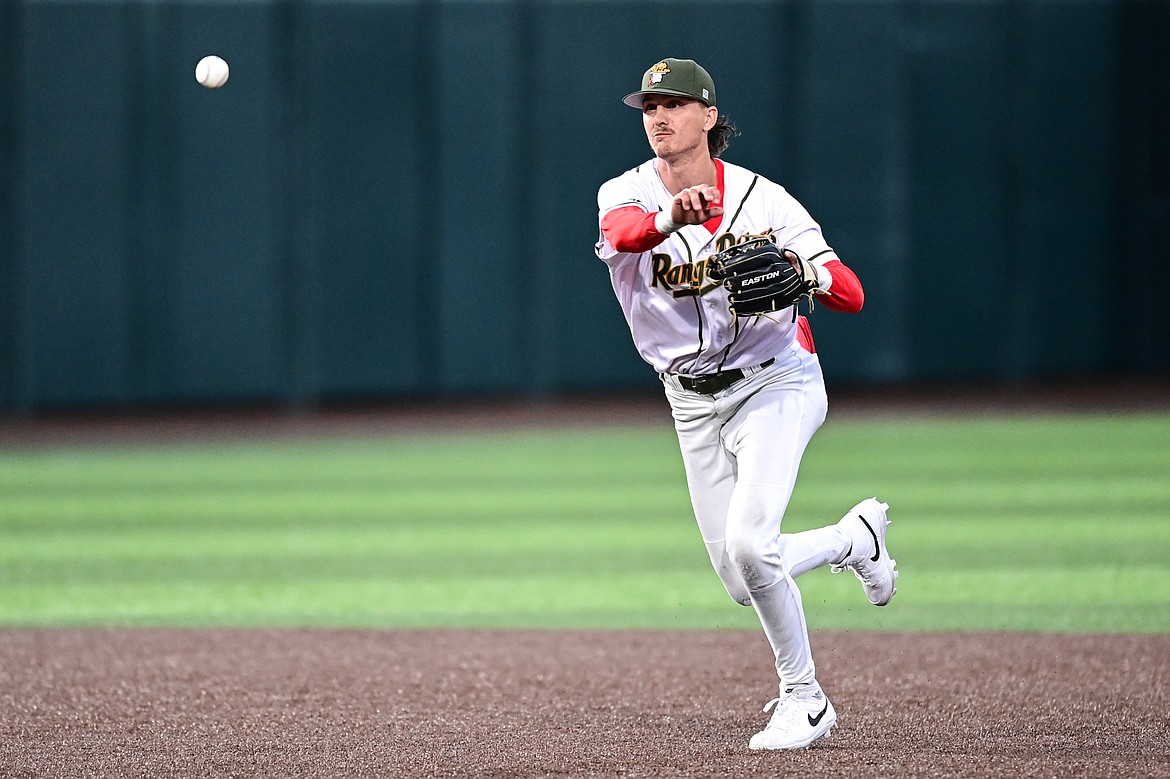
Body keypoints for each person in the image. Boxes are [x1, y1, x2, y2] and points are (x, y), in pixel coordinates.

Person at [594, 58, 898, 751]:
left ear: (709, 118)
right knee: (742, 576)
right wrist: (674, 213)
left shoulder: (767, 201)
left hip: (777, 380)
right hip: (690, 400)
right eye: (649, 107)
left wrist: (803, 272)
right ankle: (855, 539)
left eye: (674, 105)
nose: (659, 118)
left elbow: (851, 291)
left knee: (752, 545)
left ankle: (806, 698)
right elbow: (626, 235)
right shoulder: (624, 192)